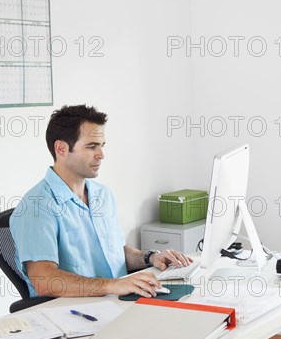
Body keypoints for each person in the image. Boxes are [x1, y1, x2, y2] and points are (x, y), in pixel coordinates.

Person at [10, 104, 191, 298]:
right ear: (61, 148)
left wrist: (151, 257)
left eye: (101, 146)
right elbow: (45, 281)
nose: (101, 155)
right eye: (91, 146)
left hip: (118, 303)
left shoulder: (102, 195)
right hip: (74, 314)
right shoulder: (36, 207)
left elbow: (115, 254)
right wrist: (112, 286)